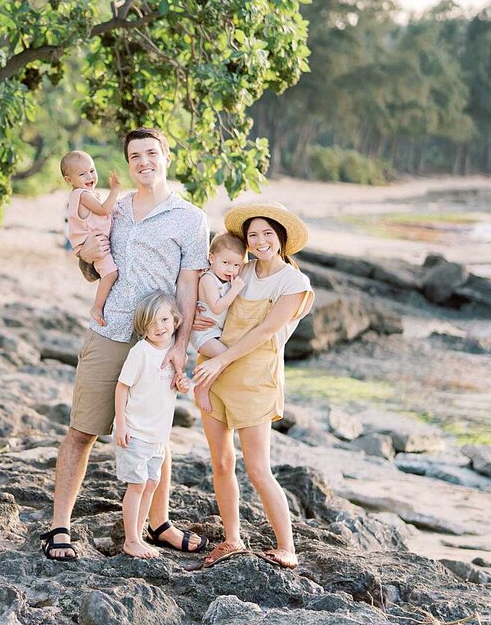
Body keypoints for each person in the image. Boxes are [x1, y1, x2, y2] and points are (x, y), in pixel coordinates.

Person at [40, 127, 209, 562]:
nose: (144, 162)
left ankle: (159, 523)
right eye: (135, 155)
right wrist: (85, 254)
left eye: (152, 152)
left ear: (166, 155)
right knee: (82, 430)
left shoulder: (190, 218)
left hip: (158, 340)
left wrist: (180, 346)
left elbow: (188, 286)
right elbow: (92, 264)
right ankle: (59, 526)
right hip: (111, 330)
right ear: (128, 162)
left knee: (156, 437)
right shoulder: (113, 209)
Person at [192, 201, 314, 570]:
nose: (260, 241)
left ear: (281, 238)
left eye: (267, 233)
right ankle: (231, 539)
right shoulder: (237, 269)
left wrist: (219, 360)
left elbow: (265, 331)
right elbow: (211, 305)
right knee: (221, 461)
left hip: (253, 377)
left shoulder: (294, 282)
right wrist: (201, 317)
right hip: (215, 370)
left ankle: (287, 547)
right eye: (253, 234)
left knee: (258, 469)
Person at [113, 292, 191, 558]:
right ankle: (131, 539)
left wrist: (182, 383)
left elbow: (174, 385)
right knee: (136, 486)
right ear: (143, 328)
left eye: (165, 319)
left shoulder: (174, 353)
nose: (159, 327)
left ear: (176, 320)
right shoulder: (141, 352)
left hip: (157, 437)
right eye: (151, 323)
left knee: (150, 485)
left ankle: (140, 532)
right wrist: (121, 424)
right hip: (135, 433)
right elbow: (122, 387)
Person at [189, 232, 247, 416]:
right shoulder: (208, 279)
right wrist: (236, 289)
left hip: (215, 332)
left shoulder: (226, 279)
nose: (231, 269)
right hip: (203, 333)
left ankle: (206, 380)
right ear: (212, 258)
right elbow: (216, 307)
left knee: (224, 358)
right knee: (226, 357)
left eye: (236, 265)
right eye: (226, 263)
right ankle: (201, 388)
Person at [62, 150, 122, 326]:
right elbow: (103, 210)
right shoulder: (83, 195)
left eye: (92, 170)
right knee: (111, 274)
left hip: (87, 243)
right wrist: (115, 190)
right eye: (82, 174)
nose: (89, 176)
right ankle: (97, 307)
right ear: (69, 180)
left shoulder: (77, 195)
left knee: (108, 273)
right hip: (93, 245)